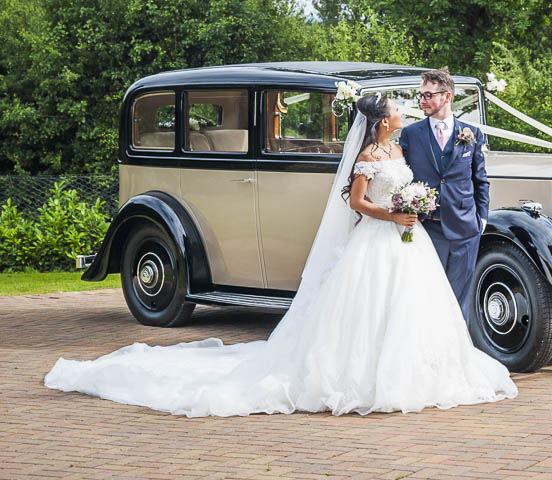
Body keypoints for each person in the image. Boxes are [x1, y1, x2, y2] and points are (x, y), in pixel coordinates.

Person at [44, 92, 516, 417]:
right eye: (397, 109)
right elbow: (354, 202)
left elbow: (410, 180)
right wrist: (394, 215)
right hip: (382, 236)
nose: (404, 110)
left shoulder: (397, 145)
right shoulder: (370, 154)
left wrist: (414, 203)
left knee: (412, 309)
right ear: (381, 121)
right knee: (369, 310)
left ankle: (424, 372)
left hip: (406, 242)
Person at [400, 68, 489, 322]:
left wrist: (480, 220)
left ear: (447, 96)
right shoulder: (411, 134)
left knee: (459, 300)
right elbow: (403, 176)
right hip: (427, 229)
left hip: (465, 231)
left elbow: (480, 180)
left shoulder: (471, 133)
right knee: (428, 296)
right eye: (420, 95)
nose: (422, 100)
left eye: (428, 95)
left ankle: (458, 355)